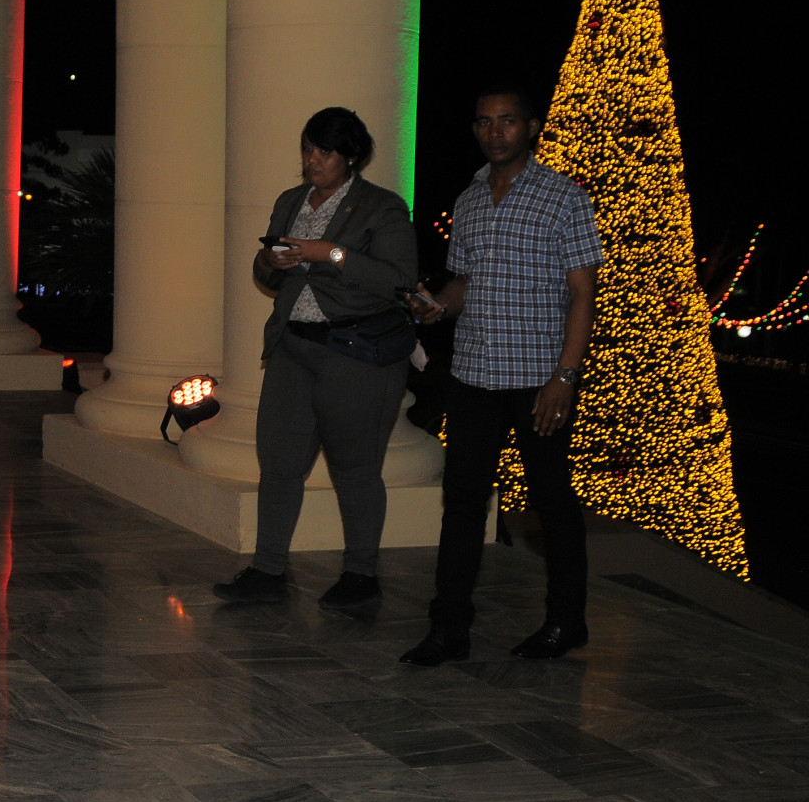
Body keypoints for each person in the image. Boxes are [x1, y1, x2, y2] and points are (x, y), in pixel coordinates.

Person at [399, 87, 602, 666]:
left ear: (531, 127)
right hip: (473, 374)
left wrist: (565, 377)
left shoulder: (564, 197)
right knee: (462, 503)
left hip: (539, 381)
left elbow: (584, 293)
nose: (496, 132)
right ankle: (448, 628)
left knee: (552, 503)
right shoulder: (468, 199)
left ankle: (567, 620)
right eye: (485, 122)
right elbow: (465, 282)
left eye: (508, 121)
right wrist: (437, 305)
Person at [213, 108, 419, 610]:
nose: (313, 160)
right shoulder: (290, 201)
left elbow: (399, 281)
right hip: (292, 348)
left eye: (325, 151)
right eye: (308, 148)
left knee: (355, 468)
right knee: (279, 463)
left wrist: (332, 254)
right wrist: (270, 260)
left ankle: (361, 575)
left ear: (350, 156)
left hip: (354, 352)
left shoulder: (382, 207)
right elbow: (268, 276)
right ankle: (267, 570)